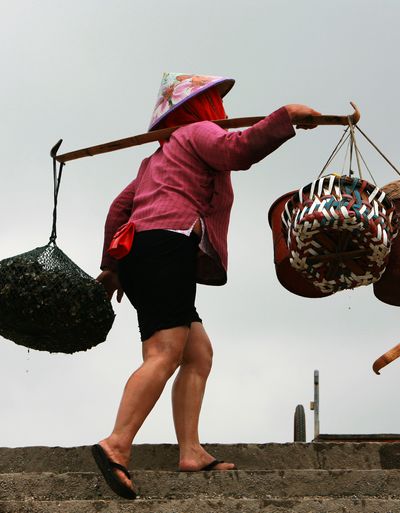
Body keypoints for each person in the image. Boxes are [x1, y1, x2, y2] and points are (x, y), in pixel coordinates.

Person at [92, 72, 322, 499]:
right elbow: (237, 150)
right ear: (200, 109)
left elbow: (119, 209)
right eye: (216, 104)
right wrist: (285, 117)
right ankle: (116, 445)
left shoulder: (157, 158)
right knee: (164, 352)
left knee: (197, 353)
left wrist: (113, 266)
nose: (223, 113)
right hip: (167, 246)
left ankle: (191, 451)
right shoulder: (198, 132)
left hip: (143, 254)